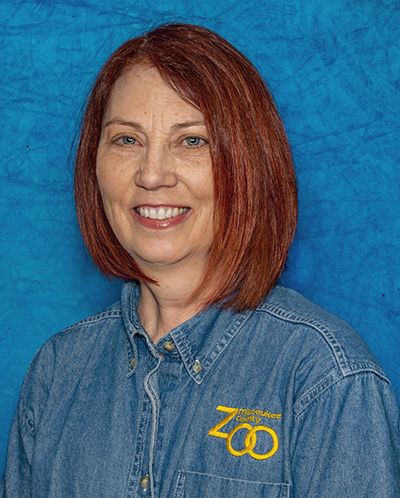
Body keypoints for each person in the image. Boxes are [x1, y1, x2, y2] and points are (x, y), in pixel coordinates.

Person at [2, 23, 399, 498]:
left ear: (250, 164)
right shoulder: (57, 371)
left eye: (192, 141)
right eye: (126, 139)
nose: (152, 175)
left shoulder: (326, 378)